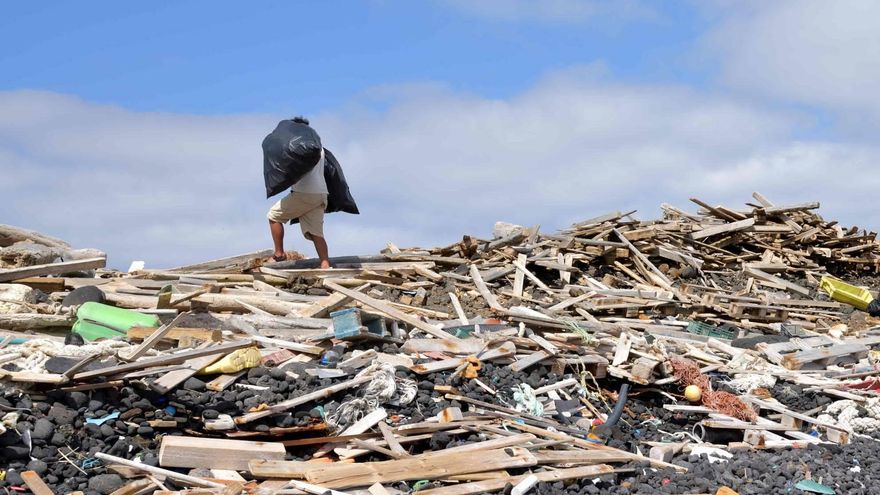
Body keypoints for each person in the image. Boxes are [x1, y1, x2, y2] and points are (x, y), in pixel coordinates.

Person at [266, 117, 331, 268]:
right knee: (316, 233)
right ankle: (325, 264)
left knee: (273, 216)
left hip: (304, 193)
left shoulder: (298, 147)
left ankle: (279, 254)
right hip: (321, 194)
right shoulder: (319, 148)